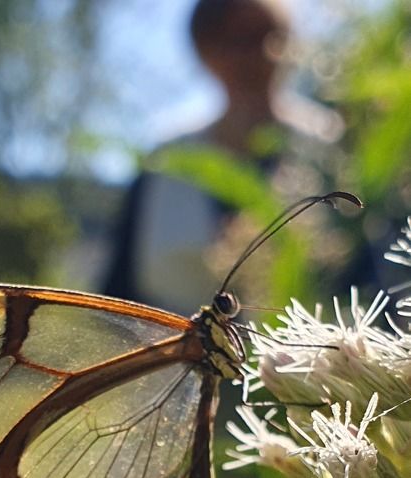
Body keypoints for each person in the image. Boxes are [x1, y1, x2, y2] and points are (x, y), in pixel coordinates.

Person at [103, 0, 344, 315]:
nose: (256, 55)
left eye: (267, 35)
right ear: (204, 52)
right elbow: (118, 294)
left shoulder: (330, 146)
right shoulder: (166, 161)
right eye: (233, 40)